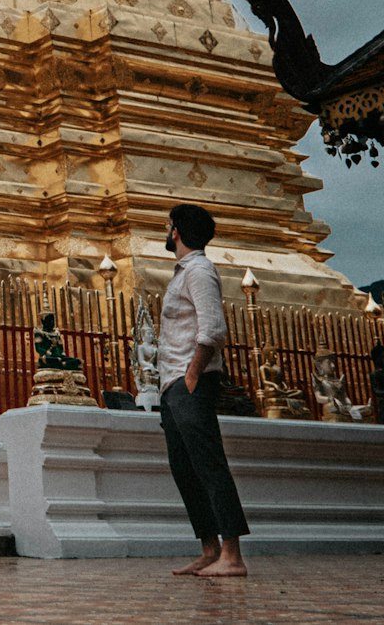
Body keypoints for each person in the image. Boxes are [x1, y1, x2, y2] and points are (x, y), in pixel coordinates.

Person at [159, 202, 248, 578]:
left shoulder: (199, 271)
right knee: (185, 468)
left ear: (176, 231)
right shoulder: (183, 273)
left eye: (168, 226)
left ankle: (232, 554)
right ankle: (209, 548)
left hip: (188, 380)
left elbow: (212, 329)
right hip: (173, 383)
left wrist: (192, 376)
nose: (167, 232)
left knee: (209, 465)